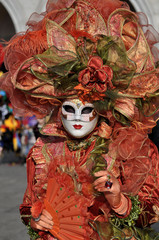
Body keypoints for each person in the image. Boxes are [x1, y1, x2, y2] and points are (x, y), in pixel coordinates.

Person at [1, 0, 159, 239]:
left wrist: (119, 201)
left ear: (102, 109)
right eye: (69, 108)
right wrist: (37, 218)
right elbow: (29, 204)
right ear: (57, 107)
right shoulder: (44, 151)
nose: (76, 117)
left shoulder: (128, 148)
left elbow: (151, 209)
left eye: (86, 110)